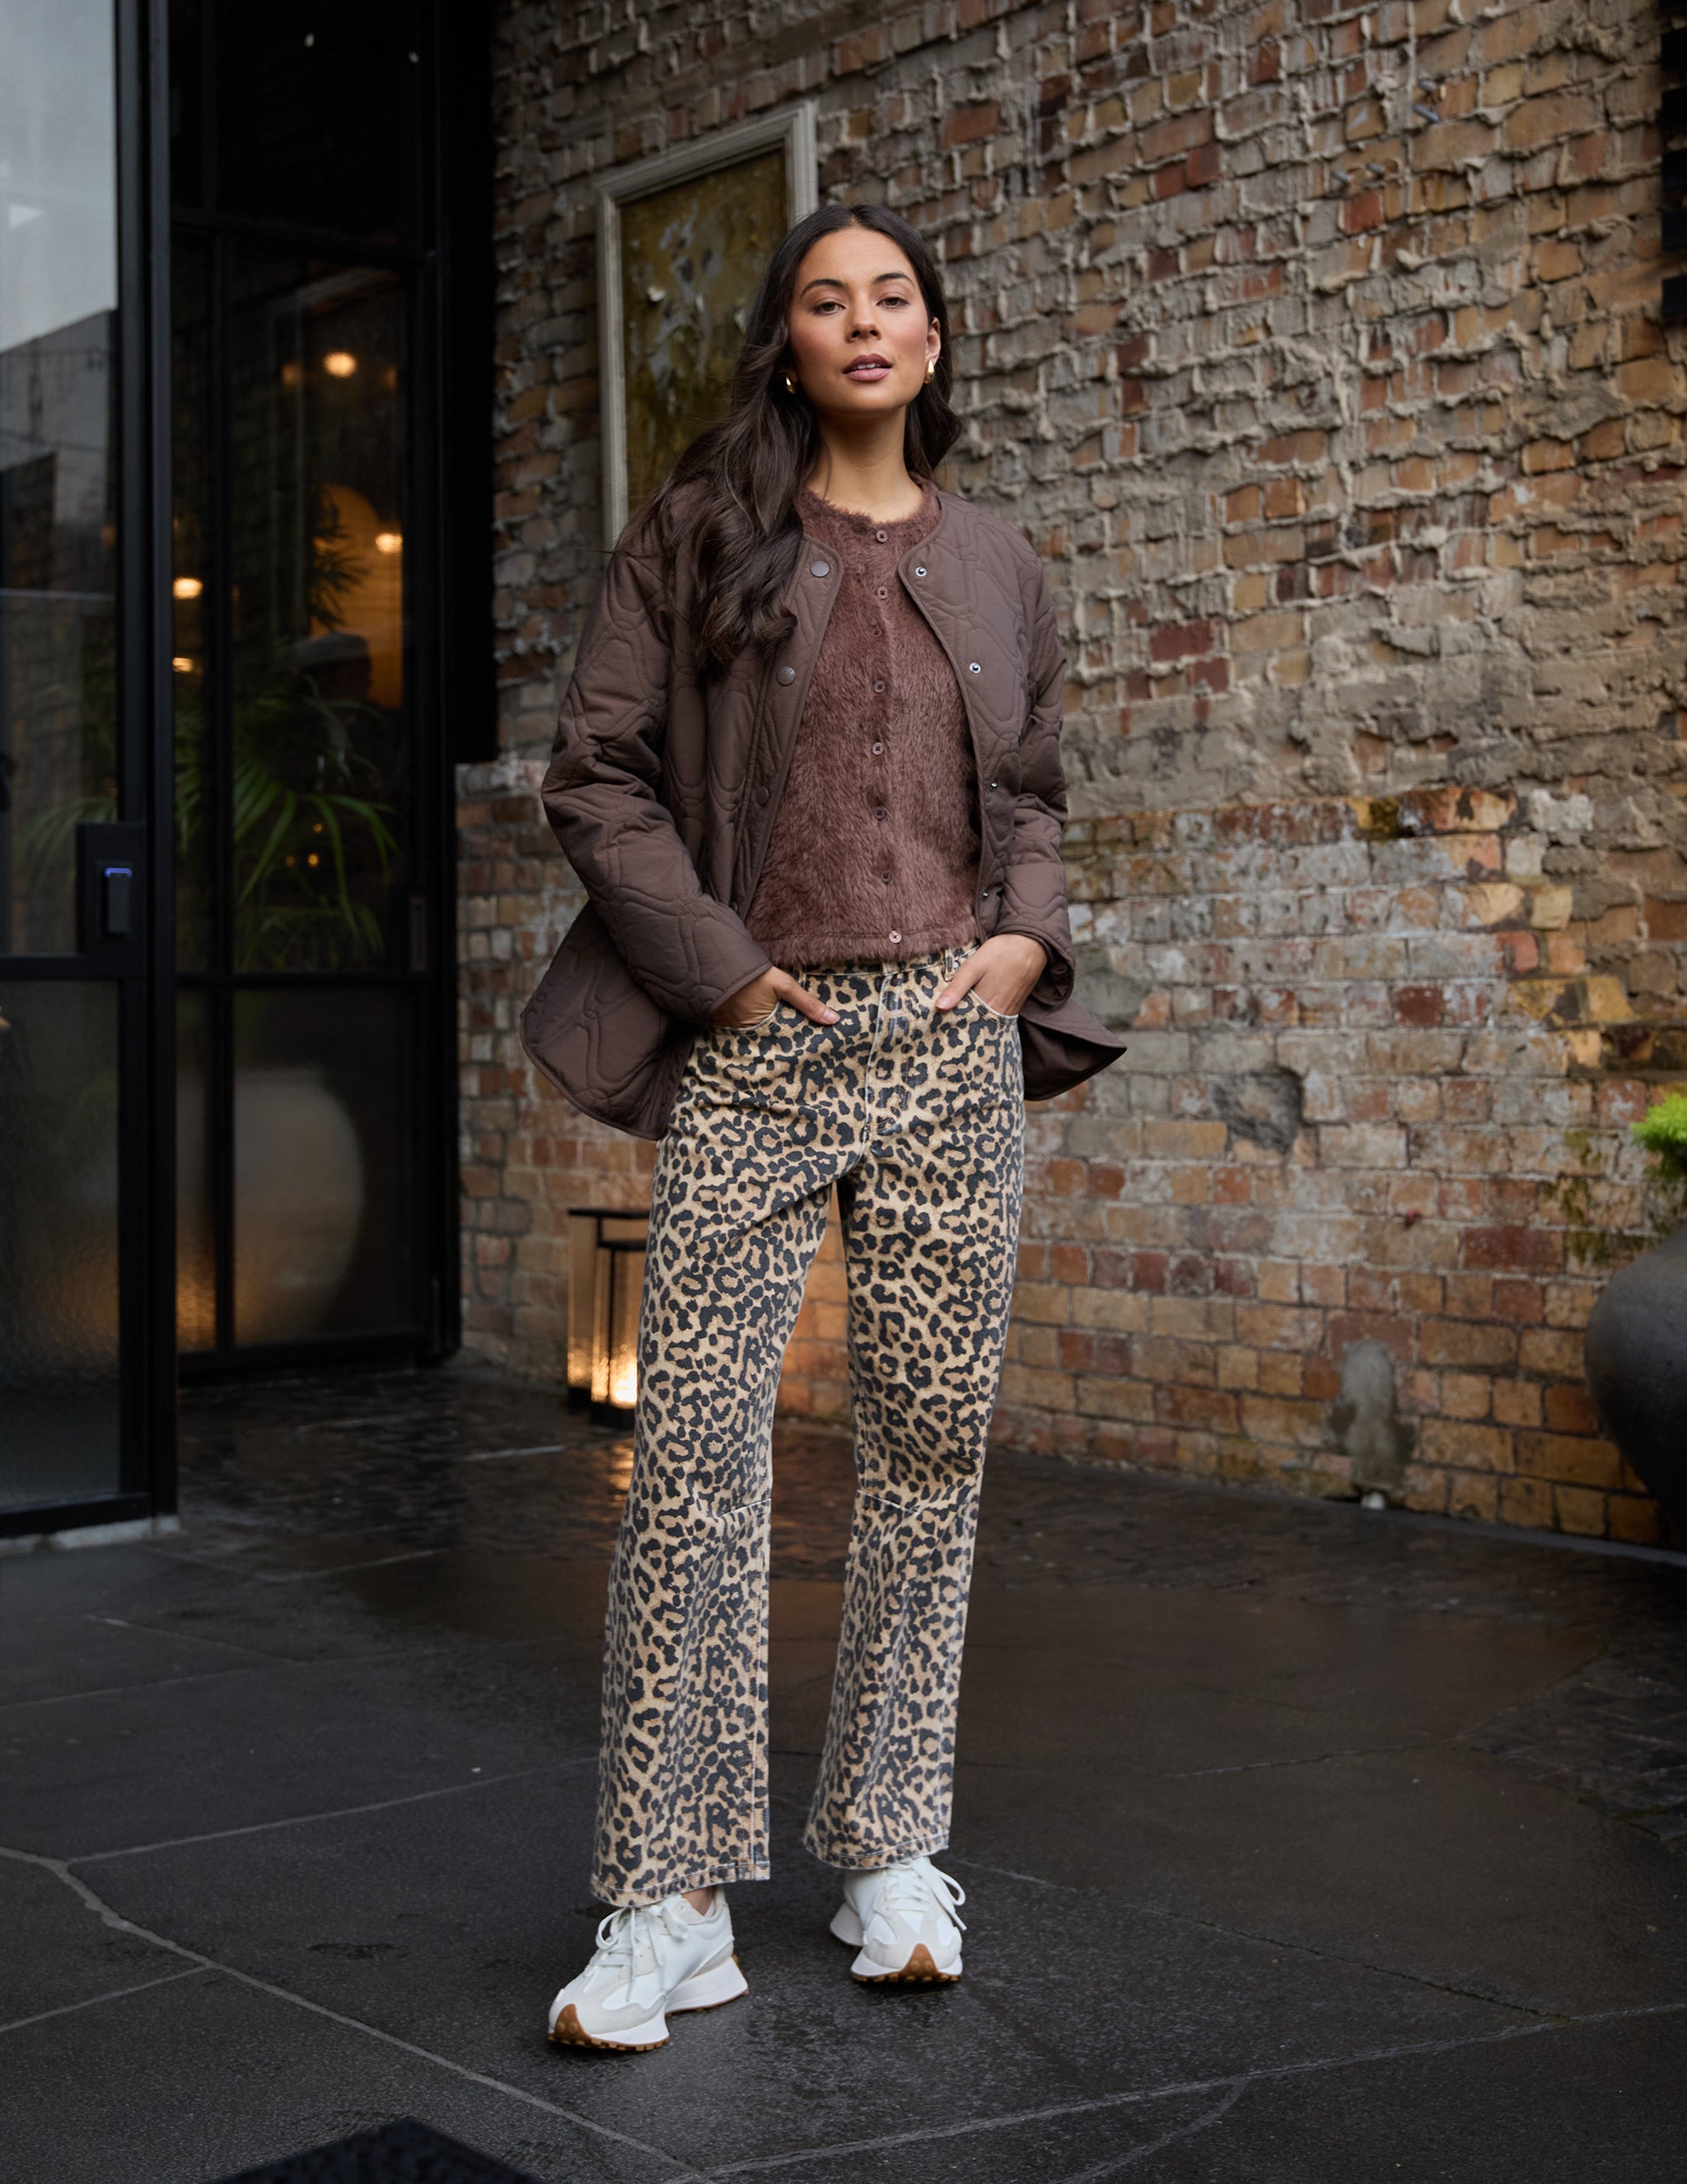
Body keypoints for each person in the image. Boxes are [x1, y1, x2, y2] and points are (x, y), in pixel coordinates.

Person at [523, 202, 1124, 2051]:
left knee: (931, 1449)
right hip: (758, 1035)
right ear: (786, 341)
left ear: (933, 340)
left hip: (948, 1035)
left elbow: (1031, 789)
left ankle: (888, 1849)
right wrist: (715, 974)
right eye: (823, 299)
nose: (862, 323)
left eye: (893, 297)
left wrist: (1023, 943)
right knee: (695, 1458)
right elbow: (596, 775)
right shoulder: (696, 535)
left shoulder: (1003, 565)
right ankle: (672, 1896)